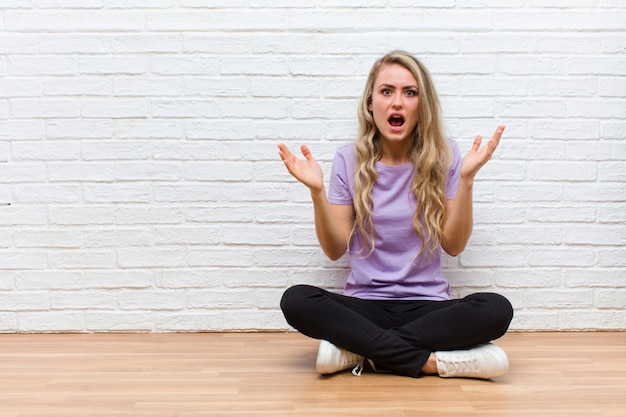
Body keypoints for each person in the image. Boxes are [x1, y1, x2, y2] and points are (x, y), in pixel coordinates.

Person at [277, 50, 513, 379]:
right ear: (371, 103)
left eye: (410, 92)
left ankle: (358, 351)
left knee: (496, 310)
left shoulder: (446, 157)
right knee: (296, 300)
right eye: (386, 91)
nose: (397, 102)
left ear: (422, 105)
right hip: (365, 306)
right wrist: (316, 192)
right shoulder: (348, 159)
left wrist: (467, 179)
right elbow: (334, 250)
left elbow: (454, 246)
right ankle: (433, 362)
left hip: (428, 307)